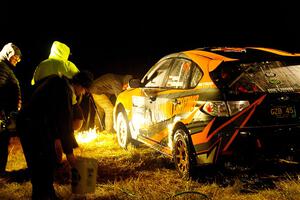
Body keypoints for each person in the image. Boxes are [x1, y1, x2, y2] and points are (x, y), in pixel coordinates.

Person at [17, 71, 93, 200]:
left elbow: (54, 117)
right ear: (80, 85)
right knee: (44, 163)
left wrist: (58, 140)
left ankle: (46, 194)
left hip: (29, 124)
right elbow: (65, 123)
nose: (83, 93)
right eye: (85, 89)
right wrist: (69, 153)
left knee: (41, 164)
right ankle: (44, 195)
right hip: (33, 127)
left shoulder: (57, 81)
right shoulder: (64, 90)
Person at [0, 42, 22, 175]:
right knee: (1, 143)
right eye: (15, 57)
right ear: (8, 54)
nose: (17, 60)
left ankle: (1, 171)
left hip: (5, 113)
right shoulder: (1, 67)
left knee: (3, 142)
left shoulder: (5, 68)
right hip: (2, 114)